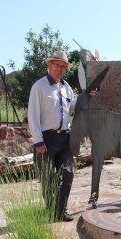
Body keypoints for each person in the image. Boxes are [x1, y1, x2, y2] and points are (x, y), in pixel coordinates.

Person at [27, 50, 96, 221]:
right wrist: (38, 141)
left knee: (68, 174)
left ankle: (60, 210)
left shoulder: (66, 88)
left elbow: (70, 108)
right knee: (48, 178)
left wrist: (85, 96)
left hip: (65, 138)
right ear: (49, 65)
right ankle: (51, 211)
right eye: (57, 65)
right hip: (46, 139)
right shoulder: (39, 86)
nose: (60, 69)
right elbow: (32, 116)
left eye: (63, 66)